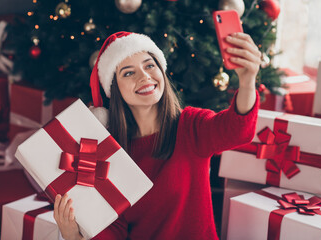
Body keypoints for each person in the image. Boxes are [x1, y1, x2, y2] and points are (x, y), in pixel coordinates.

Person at [53, 31, 261, 240]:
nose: (144, 76)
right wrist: (73, 236)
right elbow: (114, 230)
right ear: (115, 90)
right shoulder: (112, 156)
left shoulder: (191, 126)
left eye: (149, 65)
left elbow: (236, 130)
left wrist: (247, 81)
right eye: (128, 73)